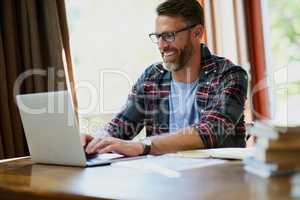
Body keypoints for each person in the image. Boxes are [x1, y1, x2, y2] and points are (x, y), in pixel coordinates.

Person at [82, 0, 248, 157]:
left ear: (197, 33)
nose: (161, 46)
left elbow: (210, 131)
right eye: (158, 37)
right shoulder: (152, 78)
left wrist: (144, 146)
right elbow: (120, 127)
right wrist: (94, 142)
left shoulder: (230, 76)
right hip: (165, 181)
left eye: (169, 35)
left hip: (219, 181)